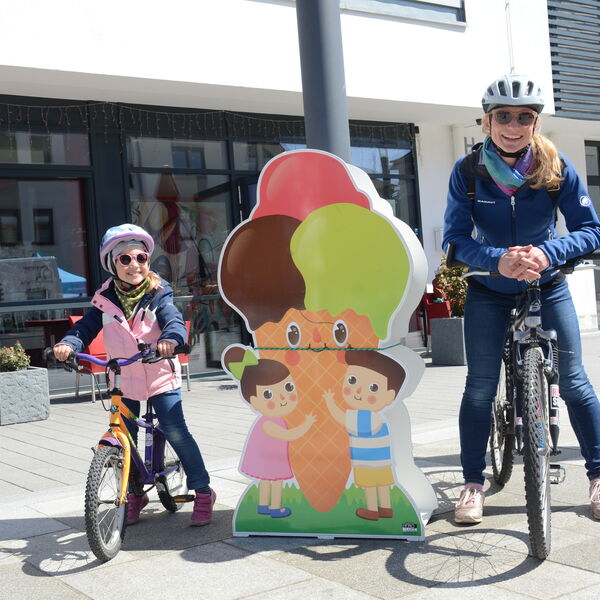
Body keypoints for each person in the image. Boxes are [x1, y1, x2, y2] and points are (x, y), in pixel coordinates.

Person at [442, 73, 600, 523]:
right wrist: (497, 260)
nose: (513, 125)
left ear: (535, 122)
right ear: (487, 121)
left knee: (574, 382)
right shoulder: (467, 172)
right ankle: (473, 483)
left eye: (524, 117)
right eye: (503, 117)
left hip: (546, 285)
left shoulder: (556, 168)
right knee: (479, 388)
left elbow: (591, 230)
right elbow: (454, 240)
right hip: (489, 290)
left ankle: (599, 477)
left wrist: (546, 253)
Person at [53, 223, 215, 526]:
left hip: (159, 374)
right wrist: (68, 343)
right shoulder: (104, 300)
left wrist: (171, 339)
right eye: (125, 259)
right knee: (124, 436)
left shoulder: (158, 294)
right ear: (112, 263)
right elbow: (84, 329)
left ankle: (203, 491)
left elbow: (174, 321)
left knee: (175, 430)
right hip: (123, 379)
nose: (134, 265)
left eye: (141, 258)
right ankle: (135, 494)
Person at [223, 346, 316, 518]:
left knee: (266, 481)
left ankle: (263, 505)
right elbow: (288, 435)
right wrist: (306, 425)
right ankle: (275, 507)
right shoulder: (268, 423)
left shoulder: (272, 420)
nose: (282, 398)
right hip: (272, 459)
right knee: (275, 482)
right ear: (254, 402)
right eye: (268, 395)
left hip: (269, 457)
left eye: (288, 388)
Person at [324, 350, 405, 521]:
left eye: (373, 387)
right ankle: (386, 508)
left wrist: (330, 402)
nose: (359, 391)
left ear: (390, 396)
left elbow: (341, 417)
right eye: (352, 380)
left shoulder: (364, 416)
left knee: (370, 486)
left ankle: (371, 510)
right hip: (383, 462)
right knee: (383, 485)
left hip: (367, 462)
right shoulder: (378, 418)